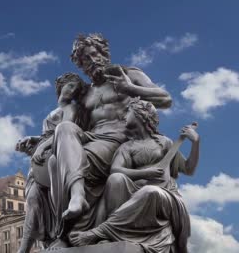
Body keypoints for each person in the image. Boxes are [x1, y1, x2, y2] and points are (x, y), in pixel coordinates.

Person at [42, 33, 172, 247]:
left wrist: (130, 88)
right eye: (85, 60)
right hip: (92, 137)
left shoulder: (129, 74)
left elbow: (165, 99)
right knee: (60, 142)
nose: (92, 61)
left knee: (64, 162)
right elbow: (68, 119)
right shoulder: (85, 93)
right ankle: (77, 199)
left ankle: (79, 220)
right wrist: (63, 102)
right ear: (81, 66)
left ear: (104, 54)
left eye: (94, 55)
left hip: (119, 138)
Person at [69, 99, 200, 253]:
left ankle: (99, 232)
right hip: (136, 192)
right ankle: (114, 235)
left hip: (164, 197)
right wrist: (145, 173)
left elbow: (189, 169)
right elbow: (115, 170)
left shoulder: (164, 143)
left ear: (140, 115)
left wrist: (195, 142)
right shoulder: (127, 146)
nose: (124, 116)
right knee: (116, 179)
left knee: (150, 191)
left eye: (128, 112)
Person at [16, 72, 87, 253]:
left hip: (57, 154)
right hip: (40, 163)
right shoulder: (54, 111)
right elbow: (48, 134)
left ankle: (59, 234)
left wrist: (41, 146)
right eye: (70, 86)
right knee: (32, 200)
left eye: (76, 89)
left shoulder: (73, 109)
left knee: (46, 191)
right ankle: (24, 248)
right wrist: (32, 140)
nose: (72, 91)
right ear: (60, 86)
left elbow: (63, 130)